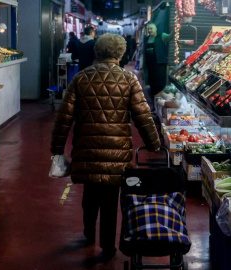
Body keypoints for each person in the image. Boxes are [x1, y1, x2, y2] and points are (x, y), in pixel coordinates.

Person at [50, 33, 161, 262]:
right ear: (120, 54)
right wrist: (154, 143)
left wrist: (57, 148)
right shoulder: (129, 80)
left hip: (87, 149)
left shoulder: (80, 79)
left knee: (89, 196)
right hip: (116, 153)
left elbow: (64, 118)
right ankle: (108, 248)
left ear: (96, 52)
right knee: (111, 202)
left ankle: (89, 234)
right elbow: (143, 116)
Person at [140, 23, 172, 112]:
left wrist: (177, 28)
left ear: (156, 29)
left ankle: (161, 107)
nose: (150, 30)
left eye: (151, 29)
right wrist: (142, 67)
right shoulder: (146, 39)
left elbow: (170, 37)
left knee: (160, 86)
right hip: (150, 67)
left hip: (160, 66)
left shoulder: (162, 36)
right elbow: (144, 54)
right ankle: (155, 106)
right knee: (152, 86)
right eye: (148, 29)